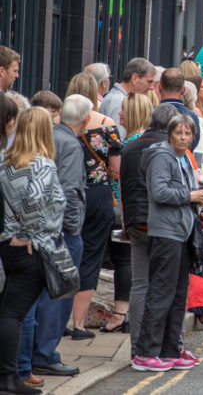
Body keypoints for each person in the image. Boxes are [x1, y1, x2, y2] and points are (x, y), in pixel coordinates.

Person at [133, 115, 203, 373]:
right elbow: (159, 192)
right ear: (169, 134)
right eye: (178, 133)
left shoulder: (183, 157)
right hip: (165, 232)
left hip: (182, 231)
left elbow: (182, 190)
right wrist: (191, 195)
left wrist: (200, 197)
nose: (183, 137)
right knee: (161, 293)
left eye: (187, 133)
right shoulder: (161, 156)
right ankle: (146, 353)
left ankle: (169, 350)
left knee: (179, 294)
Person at [16, 95, 88, 382]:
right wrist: (72, 230)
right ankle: (44, 355)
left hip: (37, 232)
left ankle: (33, 357)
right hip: (60, 233)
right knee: (58, 296)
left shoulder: (47, 140)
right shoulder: (70, 143)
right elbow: (69, 191)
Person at [0, 107, 66, 395]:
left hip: (9, 247)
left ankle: (8, 376)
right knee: (14, 314)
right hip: (33, 247)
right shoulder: (43, 164)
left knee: (9, 312)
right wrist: (26, 232)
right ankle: (8, 379)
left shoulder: (5, 162)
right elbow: (33, 200)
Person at [65, 73, 123, 341]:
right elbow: (115, 170)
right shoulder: (105, 124)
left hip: (67, 195)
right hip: (97, 195)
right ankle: (78, 324)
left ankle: (58, 320)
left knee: (63, 255)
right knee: (90, 258)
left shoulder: (58, 123)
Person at [120, 103, 177, 353]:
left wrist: (125, 223)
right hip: (163, 223)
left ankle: (137, 347)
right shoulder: (171, 149)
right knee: (163, 285)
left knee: (140, 284)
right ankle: (157, 346)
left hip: (135, 220)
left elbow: (122, 188)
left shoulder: (129, 147)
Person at [99, 58, 157, 138]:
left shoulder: (118, 98)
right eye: (149, 82)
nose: (152, 88)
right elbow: (119, 141)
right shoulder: (120, 101)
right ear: (134, 78)